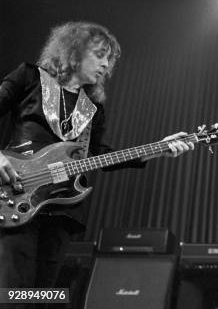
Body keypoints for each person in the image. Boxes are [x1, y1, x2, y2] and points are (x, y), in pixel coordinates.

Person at [0, 21, 194, 291]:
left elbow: (99, 155)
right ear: (73, 51)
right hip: (15, 193)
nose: (107, 65)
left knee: (43, 295)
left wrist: (159, 147)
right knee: (12, 292)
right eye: (100, 55)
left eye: (110, 60)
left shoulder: (92, 108)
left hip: (61, 209)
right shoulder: (29, 78)